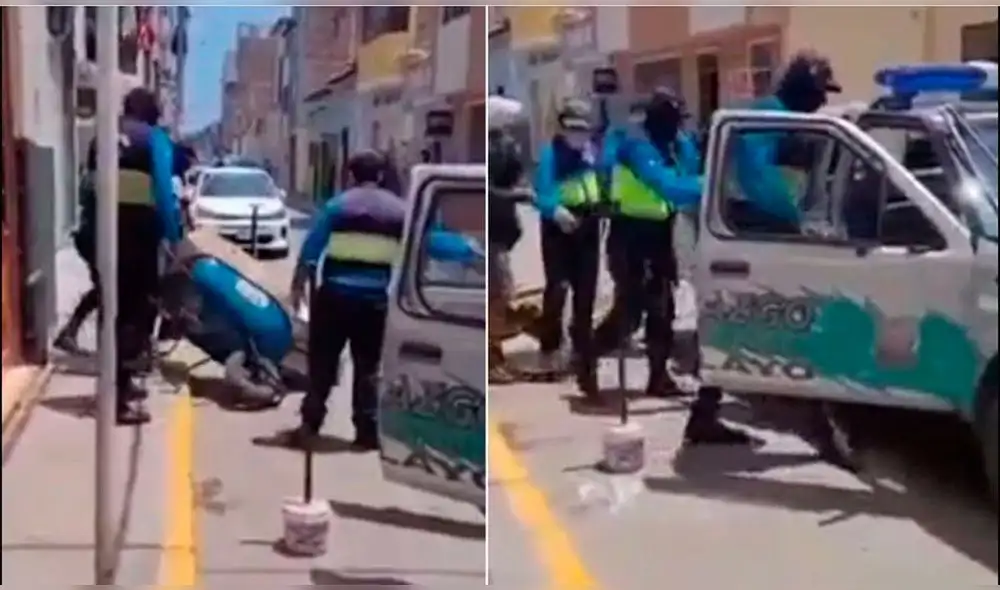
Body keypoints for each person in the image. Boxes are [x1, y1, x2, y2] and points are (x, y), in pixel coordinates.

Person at [682, 50, 844, 447]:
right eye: (821, 91)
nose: (824, 100)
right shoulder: (768, 116)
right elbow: (758, 179)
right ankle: (821, 426)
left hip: (765, 232)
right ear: (804, 88)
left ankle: (706, 415)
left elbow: (801, 184)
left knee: (757, 325)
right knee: (779, 323)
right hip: (751, 232)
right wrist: (794, 221)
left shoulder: (796, 123)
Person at [286, 150, 478, 449]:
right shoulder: (399, 211)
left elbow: (312, 249)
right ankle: (366, 433)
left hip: (334, 299)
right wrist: (469, 252)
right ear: (379, 176)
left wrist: (299, 284)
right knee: (369, 368)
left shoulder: (337, 206)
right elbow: (430, 241)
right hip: (374, 303)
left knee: (322, 365)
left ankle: (311, 424)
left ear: (351, 176)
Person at [68, 88, 181, 424]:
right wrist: (173, 236)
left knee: (111, 313)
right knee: (137, 313)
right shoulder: (153, 140)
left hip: (102, 234)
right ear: (152, 114)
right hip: (137, 236)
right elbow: (162, 190)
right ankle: (119, 400)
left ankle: (118, 386)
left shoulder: (101, 136)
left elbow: (86, 189)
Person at [592, 88, 702, 398]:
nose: (679, 127)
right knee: (630, 313)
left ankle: (658, 378)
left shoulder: (672, 144)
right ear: (661, 120)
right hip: (630, 235)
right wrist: (709, 187)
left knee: (663, 310)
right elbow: (669, 188)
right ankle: (587, 356)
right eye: (675, 121)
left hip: (660, 234)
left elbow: (691, 169)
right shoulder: (637, 146)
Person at [533, 99, 603, 401]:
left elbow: (601, 180)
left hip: (588, 225)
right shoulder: (551, 155)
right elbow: (541, 193)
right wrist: (555, 210)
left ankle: (582, 355)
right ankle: (549, 347)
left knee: (586, 293)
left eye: (583, 130)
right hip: (559, 227)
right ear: (562, 129)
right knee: (558, 288)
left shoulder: (591, 152)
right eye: (572, 129)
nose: (578, 135)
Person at [487, 96, 531, 383]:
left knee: (500, 296)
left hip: (502, 233)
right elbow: (491, 191)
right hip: (492, 236)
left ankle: (496, 357)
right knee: (499, 296)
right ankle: (491, 361)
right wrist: (519, 194)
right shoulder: (492, 152)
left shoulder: (506, 148)